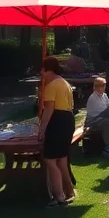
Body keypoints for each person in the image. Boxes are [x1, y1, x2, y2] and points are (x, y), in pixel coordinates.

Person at [39, 57, 77, 205]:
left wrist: (42, 129)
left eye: (42, 69)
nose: (41, 73)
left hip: (58, 121)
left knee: (50, 159)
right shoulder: (64, 82)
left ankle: (59, 195)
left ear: (49, 70)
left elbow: (49, 109)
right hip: (68, 119)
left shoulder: (51, 85)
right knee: (62, 158)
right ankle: (69, 190)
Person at [85, 76, 109, 155]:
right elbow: (103, 112)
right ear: (94, 87)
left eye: (102, 85)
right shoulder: (93, 98)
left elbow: (108, 107)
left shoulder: (104, 96)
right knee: (107, 123)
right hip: (92, 122)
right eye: (98, 86)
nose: (100, 88)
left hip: (102, 118)